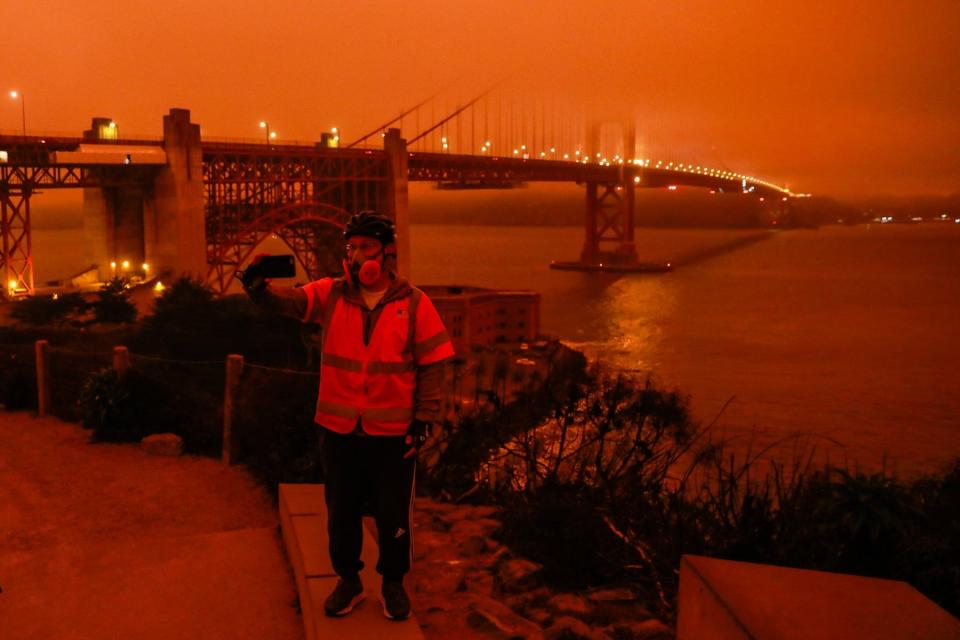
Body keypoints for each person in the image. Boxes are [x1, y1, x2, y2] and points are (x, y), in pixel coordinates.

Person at [241, 211, 454, 621]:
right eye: (351, 248)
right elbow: (292, 301)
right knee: (341, 512)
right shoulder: (332, 294)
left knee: (394, 514)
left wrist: (424, 418)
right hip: (338, 428)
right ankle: (349, 581)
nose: (357, 256)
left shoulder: (414, 303)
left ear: (387, 253)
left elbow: (433, 365)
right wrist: (259, 290)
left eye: (365, 247)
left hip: (393, 431)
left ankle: (393, 583)